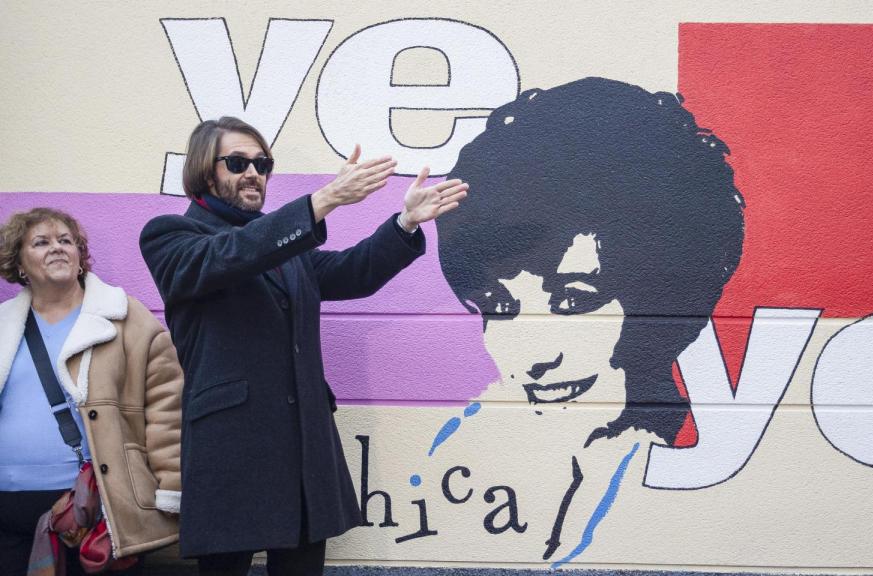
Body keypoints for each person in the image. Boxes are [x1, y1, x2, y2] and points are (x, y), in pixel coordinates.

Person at [139, 116, 467, 575]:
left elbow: (354, 273)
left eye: (263, 164)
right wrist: (326, 199)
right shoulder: (171, 235)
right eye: (238, 162)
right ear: (203, 171)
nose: (254, 173)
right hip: (230, 449)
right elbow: (228, 256)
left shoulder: (286, 246)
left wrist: (405, 223)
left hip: (300, 446)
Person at [436, 77, 745, 560]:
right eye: (499, 306)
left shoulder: (680, 464)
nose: (534, 357)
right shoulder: (458, 447)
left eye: (576, 300)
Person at [0, 208, 182, 576]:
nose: (57, 248)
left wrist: (171, 485)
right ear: (19, 264)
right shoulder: (3, 325)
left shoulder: (124, 317)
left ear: (81, 257)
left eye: (66, 241)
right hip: (7, 512)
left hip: (98, 507)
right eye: (41, 242)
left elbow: (167, 405)